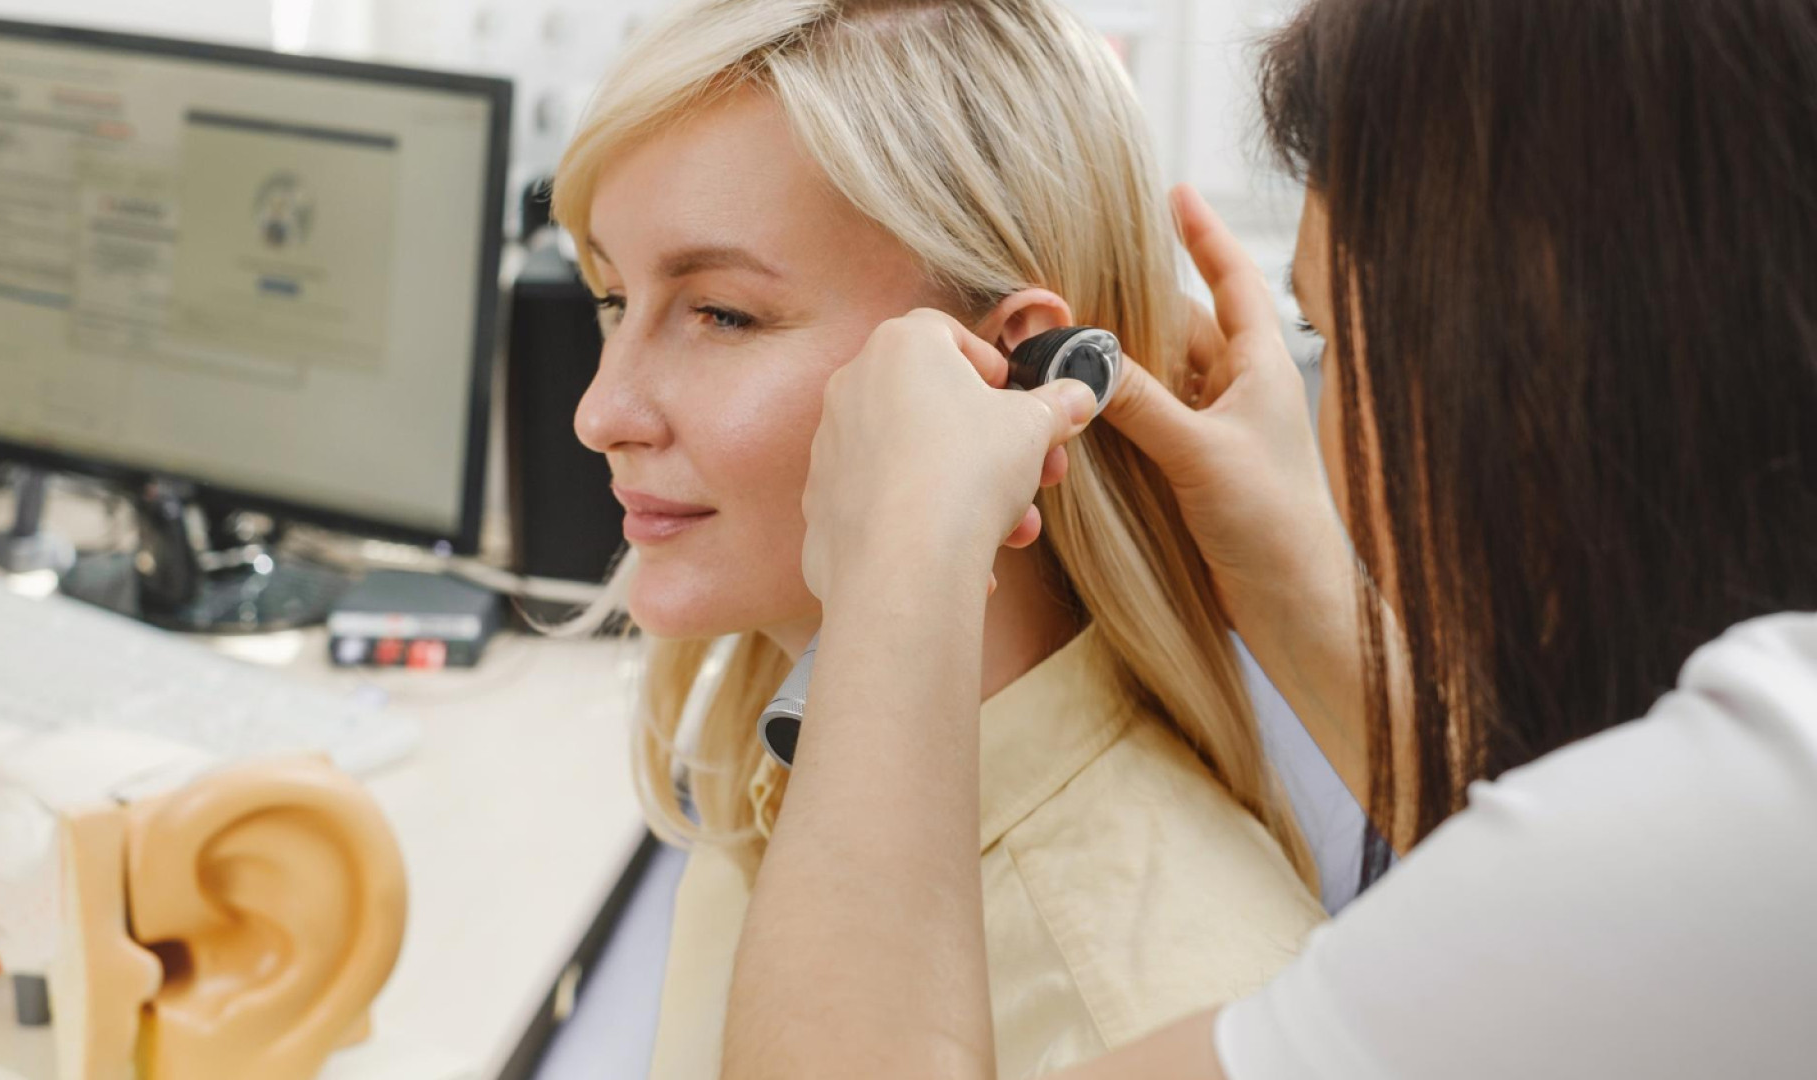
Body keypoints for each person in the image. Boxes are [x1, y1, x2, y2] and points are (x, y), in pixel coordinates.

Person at [721, 0, 1817, 1076]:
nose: (597, 414)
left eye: (1332, 337)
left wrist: (894, 570)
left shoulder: (1760, 824)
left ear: (1545, 354)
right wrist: (1295, 590)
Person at [548, 1, 1335, 1076]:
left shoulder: (1133, 1002)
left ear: (1009, 367)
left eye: (722, 315)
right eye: (611, 298)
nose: (602, 412)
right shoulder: (771, 769)